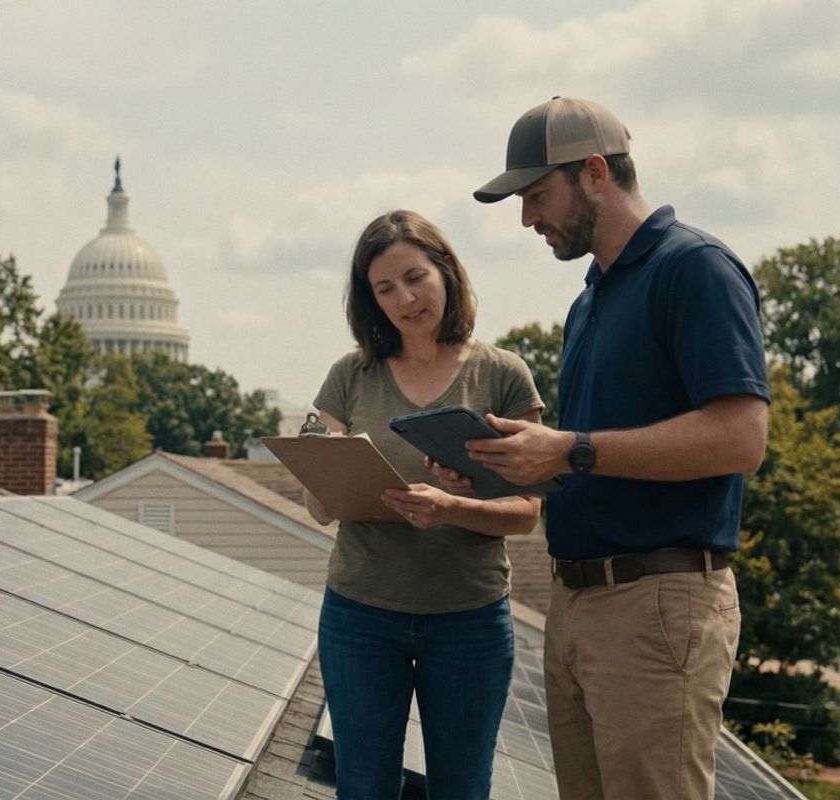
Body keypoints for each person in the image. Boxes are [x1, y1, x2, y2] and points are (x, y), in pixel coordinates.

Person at [442, 96, 770, 798]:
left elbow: (741, 438)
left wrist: (571, 450)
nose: (526, 219)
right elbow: (588, 453)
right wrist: (502, 468)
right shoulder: (590, 299)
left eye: (536, 195)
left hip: (657, 605)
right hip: (576, 605)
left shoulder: (696, 268)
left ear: (594, 172)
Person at [305, 209, 545, 799]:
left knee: (462, 787)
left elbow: (527, 514)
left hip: (469, 617)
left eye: (415, 278)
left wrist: (451, 508)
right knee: (363, 786)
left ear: (446, 271)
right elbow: (318, 508)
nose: (405, 299)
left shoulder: (504, 375)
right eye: (385, 288)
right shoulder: (351, 375)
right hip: (360, 614)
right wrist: (325, 467)